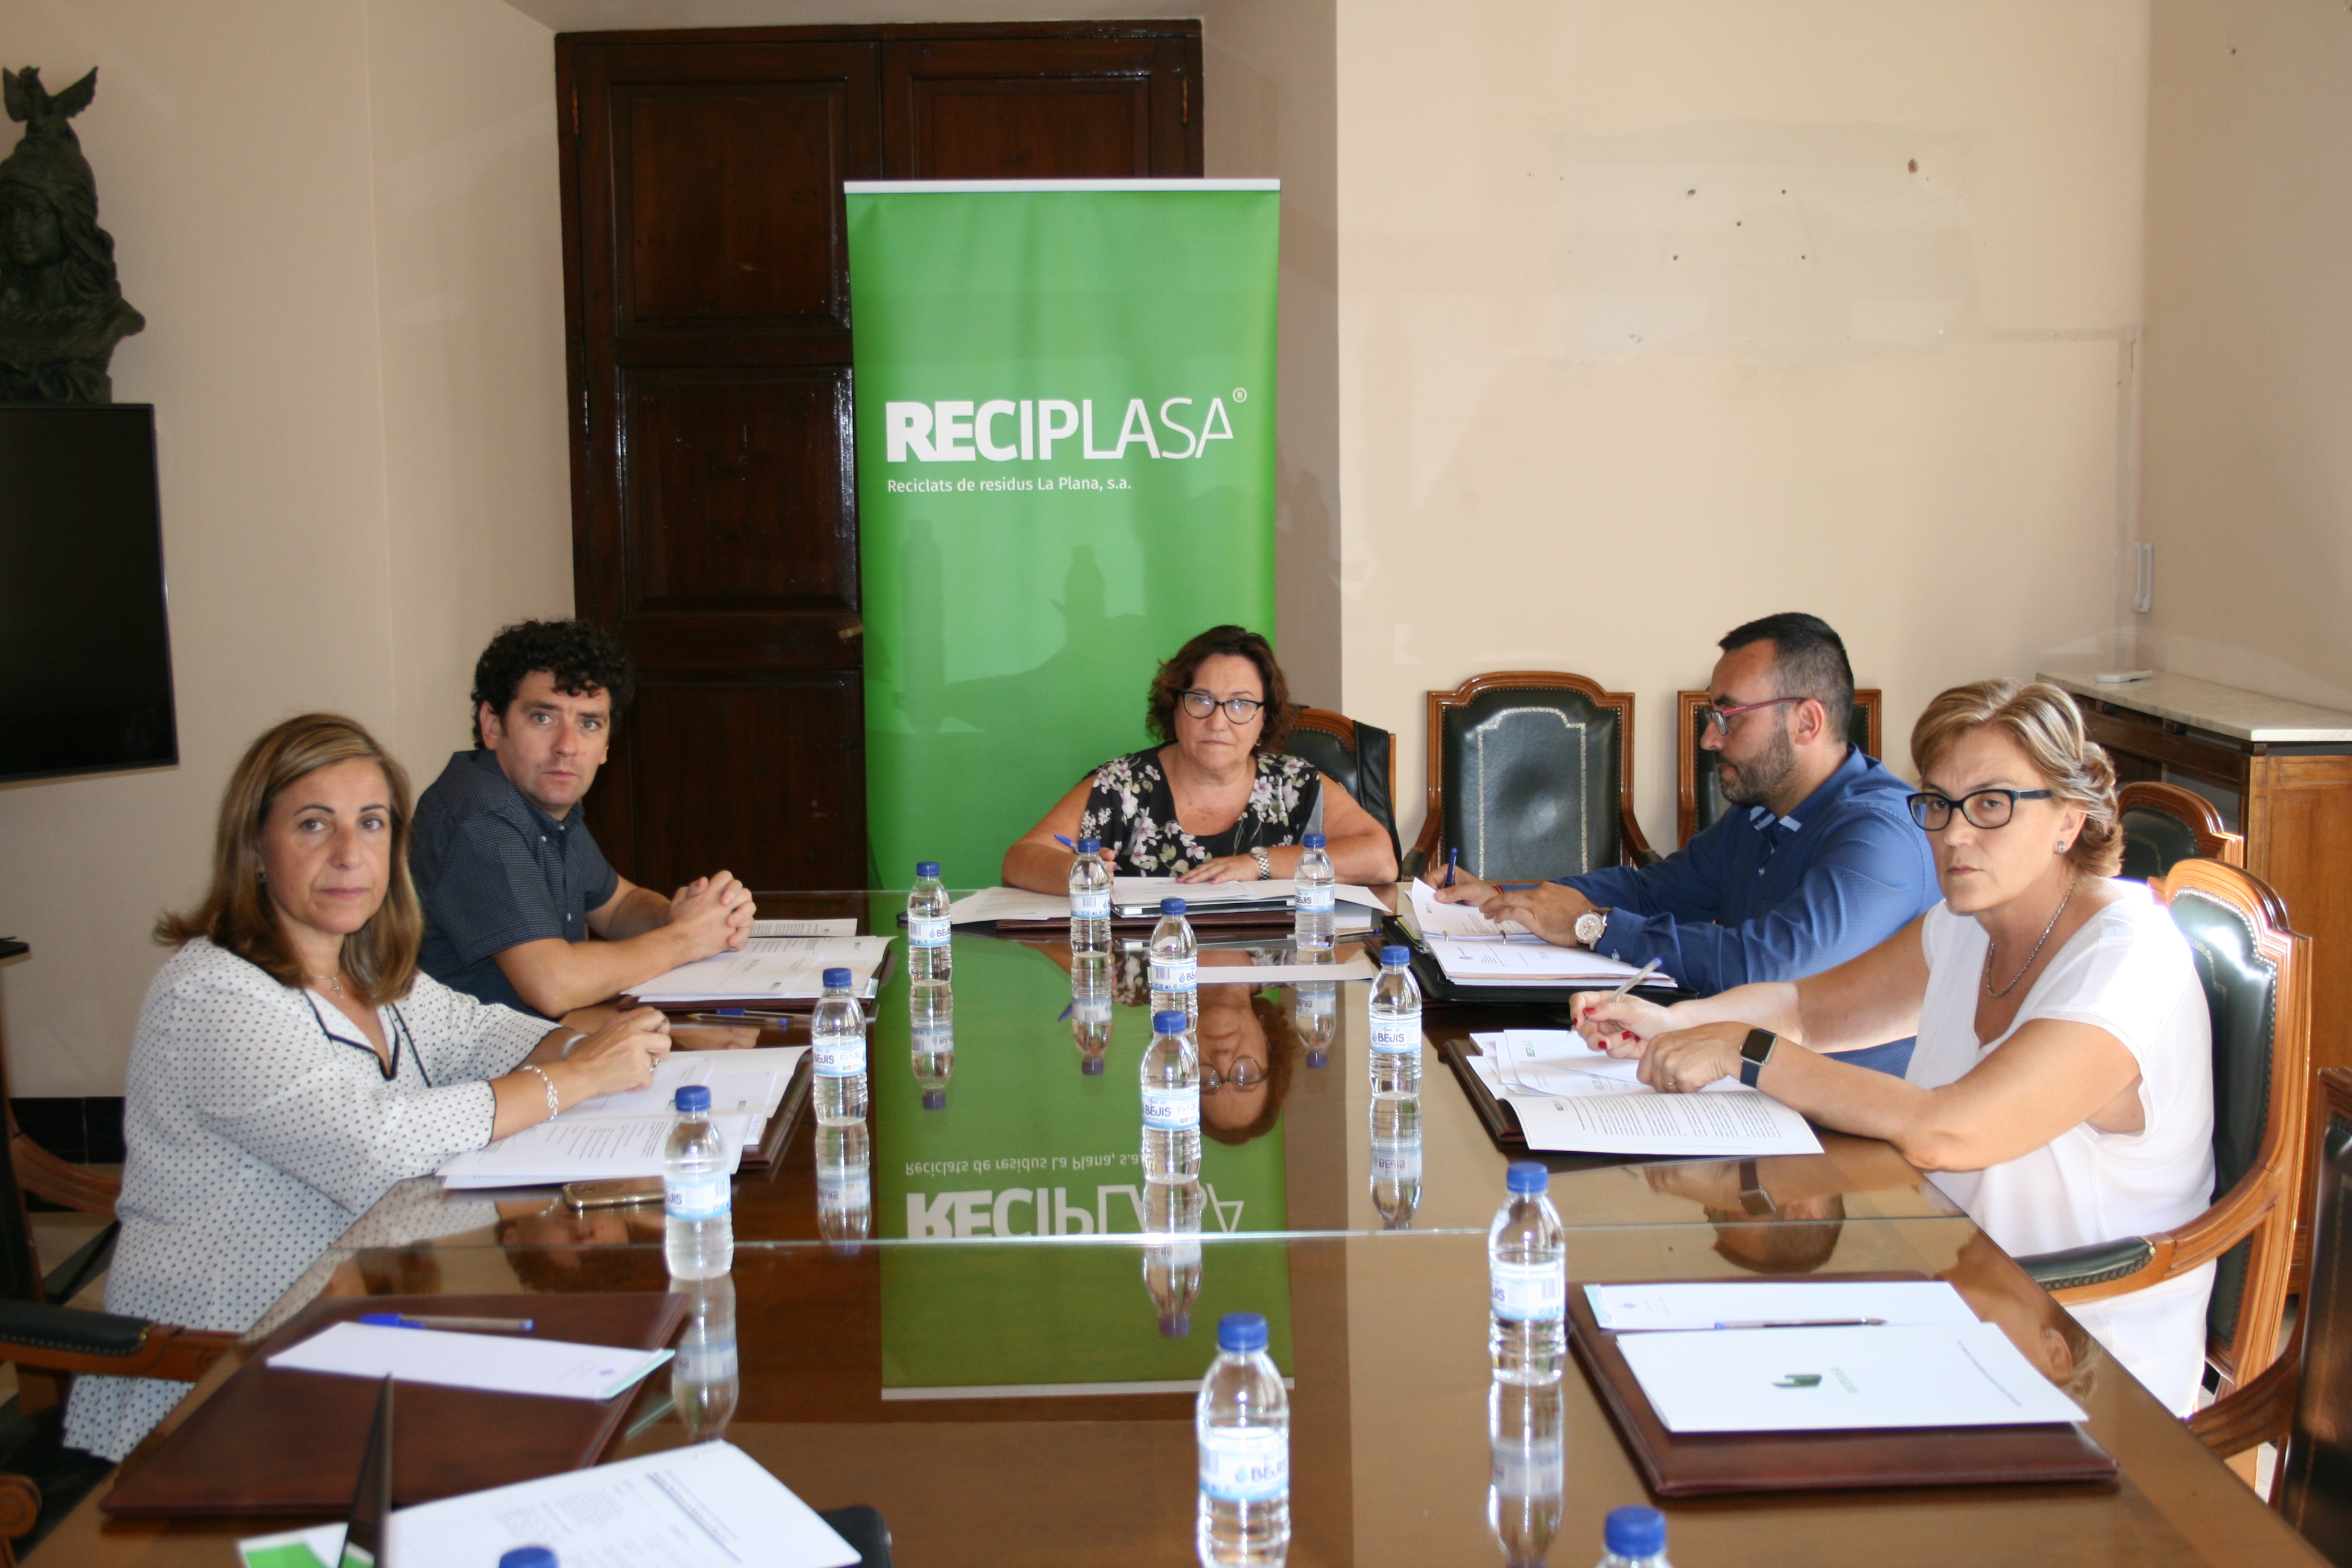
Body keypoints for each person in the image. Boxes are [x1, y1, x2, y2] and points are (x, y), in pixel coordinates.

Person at [1575, 679, 2215, 1413]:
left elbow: (1950, 1130)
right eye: (1939, 804)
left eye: (1992, 805)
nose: (1955, 835)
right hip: (1954, 1285)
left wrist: (1744, 1050)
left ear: (2069, 820)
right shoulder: (1968, 923)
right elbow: (1809, 1009)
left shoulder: (2128, 961)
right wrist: (1679, 1023)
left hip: (2080, 1354)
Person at [65, 715, 676, 1461]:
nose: (350, 854)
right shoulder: (213, 996)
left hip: (350, 1338)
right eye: (314, 825)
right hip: (213, 1379)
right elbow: (374, 1143)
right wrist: (573, 1078)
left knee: (606, 1402)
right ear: (254, 847)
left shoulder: (362, 966)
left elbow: (477, 1033)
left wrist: (602, 1045)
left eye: (372, 823)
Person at [1429, 612, 1935, 1074]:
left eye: (1729, 717)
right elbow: (1653, 890)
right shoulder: (1761, 812)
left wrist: (1594, 926)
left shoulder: (1881, 834)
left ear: (1807, 721)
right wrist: (1510, 898)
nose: (1709, 739)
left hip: (1845, 1112)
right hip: (1752, 1072)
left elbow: (1770, 967)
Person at [411, 619, 756, 1019]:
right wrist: (686, 939)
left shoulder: (544, 803)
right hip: (478, 1057)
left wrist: (680, 915)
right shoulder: (481, 817)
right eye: (543, 718)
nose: (567, 747)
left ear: (606, 745)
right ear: (492, 724)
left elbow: (620, 906)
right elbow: (553, 985)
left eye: (589, 724)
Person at [1003, 624, 1399, 890]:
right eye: (1201, 700)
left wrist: (1258, 864)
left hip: (1269, 974)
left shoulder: (1293, 784)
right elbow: (1020, 860)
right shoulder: (1123, 785)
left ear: (1264, 718)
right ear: (1174, 706)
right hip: (1152, 975)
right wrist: (1075, 871)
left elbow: (1381, 859)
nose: (1218, 722)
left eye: (1241, 704)